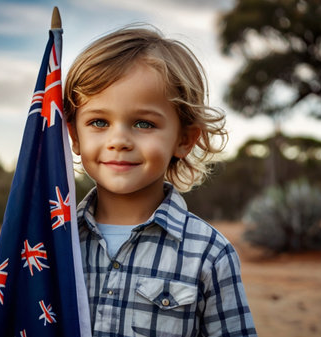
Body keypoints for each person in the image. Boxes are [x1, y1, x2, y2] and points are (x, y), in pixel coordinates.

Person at [63, 26, 257, 337]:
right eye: (99, 122)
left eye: (144, 123)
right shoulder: (52, 243)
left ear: (184, 139)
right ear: (75, 136)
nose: (119, 141)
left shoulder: (209, 254)